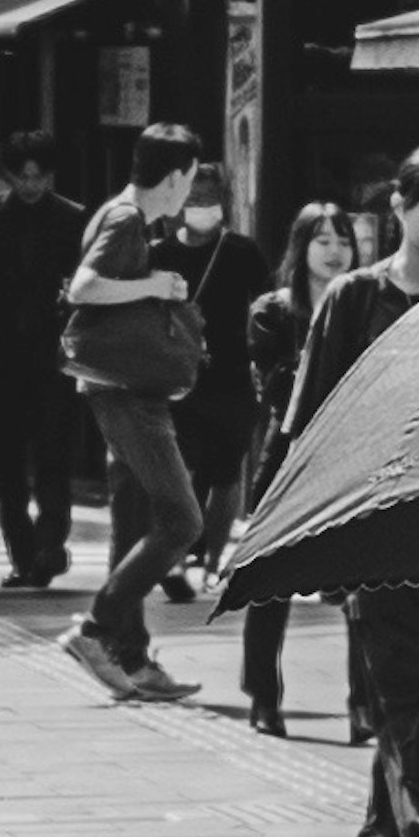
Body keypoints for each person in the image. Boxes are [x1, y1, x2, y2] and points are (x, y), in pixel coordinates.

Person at [288, 143, 419, 837]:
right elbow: (310, 414)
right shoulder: (354, 298)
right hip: (377, 519)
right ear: (398, 208)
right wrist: (299, 522)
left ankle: (385, 836)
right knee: (404, 683)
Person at [59, 122, 211, 703]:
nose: (188, 195)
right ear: (173, 177)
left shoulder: (117, 214)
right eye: (189, 182)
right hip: (126, 389)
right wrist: (154, 284)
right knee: (182, 520)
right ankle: (95, 630)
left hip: (118, 385)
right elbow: (84, 287)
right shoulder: (125, 219)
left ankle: (132, 656)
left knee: (131, 518)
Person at [236, 201, 360, 737]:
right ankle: (264, 695)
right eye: (323, 240)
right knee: (270, 583)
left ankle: (366, 706)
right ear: (301, 246)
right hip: (286, 459)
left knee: (364, 588)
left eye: (342, 240)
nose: (334, 252)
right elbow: (277, 392)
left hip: (350, 456)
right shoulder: (273, 311)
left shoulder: (364, 303)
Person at [0, 135, 82, 586]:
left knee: (55, 455)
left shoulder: (74, 219)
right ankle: (22, 554)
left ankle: (50, 545)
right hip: (0, 353)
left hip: (54, 355)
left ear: (51, 176)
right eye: (23, 176)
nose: (32, 184)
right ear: (10, 176)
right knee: (9, 463)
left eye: (40, 176)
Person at [164, 161, 270, 605]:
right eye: (193, 199)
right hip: (177, 381)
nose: (201, 207)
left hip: (231, 377)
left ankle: (209, 562)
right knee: (181, 470)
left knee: (227, 475)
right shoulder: (160, 253)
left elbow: (267, 304)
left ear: (223, 203)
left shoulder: (242, 251)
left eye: (209, 200)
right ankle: (176, 557)